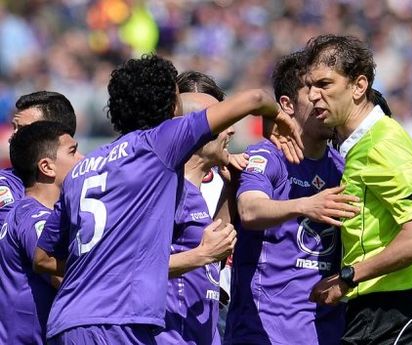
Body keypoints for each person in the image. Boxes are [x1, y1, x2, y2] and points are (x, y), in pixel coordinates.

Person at [33, 54, 302, 344]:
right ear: (172, 106)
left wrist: (101, 269)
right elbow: (256, 97)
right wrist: (276, 116)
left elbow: (43, 258)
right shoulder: (159, 143)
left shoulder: (84, 168)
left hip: (68, 321)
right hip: (118, 320)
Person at [305, 34, 412, 343]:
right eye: (310, 86)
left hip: (388, 314)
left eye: (324, 84)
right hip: (392, 315)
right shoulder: (370, 142)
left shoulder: (381, 144)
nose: (312, 96)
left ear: (359, 86)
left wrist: (347, 277)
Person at [224, 51, 360, 345]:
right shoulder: (267, 156)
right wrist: (306, 205)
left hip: (326, 335)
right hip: (264, 332)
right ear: (286, 105)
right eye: (313, 92)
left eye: (327, 89)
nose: (323, 99)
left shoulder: (343, 167)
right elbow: (249, 209)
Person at [156, 92, 236, 345]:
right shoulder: (165, 191)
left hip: (202, 333)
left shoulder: (193, 192)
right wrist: (202, 255)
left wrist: (231, 190)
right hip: (170, 336)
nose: (232, 130)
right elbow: (134, 266)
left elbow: (216, 250)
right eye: (222, 123)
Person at [0, 121, 83, 344]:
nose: (82, 158)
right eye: (73, 152)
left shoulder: (32, 213)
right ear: (47, 167)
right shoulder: (32, 216)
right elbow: (52, 267)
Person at [0, 91, 77, 225]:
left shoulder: (90, 179)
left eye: (23, 129)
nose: (12, 137)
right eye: (14, 128)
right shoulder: (6, 184)